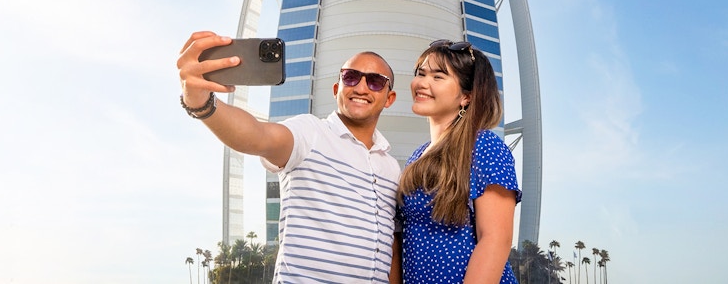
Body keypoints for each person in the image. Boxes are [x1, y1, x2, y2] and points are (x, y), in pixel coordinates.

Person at [177, 31, 402, 284]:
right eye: (351, 77)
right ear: (337, 88)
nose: (361, 87)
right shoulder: (310, 133)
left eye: (375, 81)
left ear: (389, 98)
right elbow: (258, 135)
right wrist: (201, 102)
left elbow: (391, 247)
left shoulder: (392, 169)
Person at [396, 40, 521, 284]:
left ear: (466, 96)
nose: (422, 83)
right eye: (420, 74)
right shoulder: (417, 156)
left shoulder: (485, 146)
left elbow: (495, 240)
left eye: (438, 77)